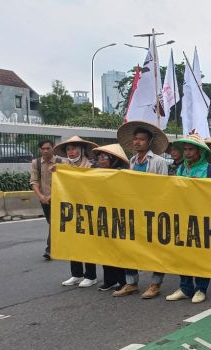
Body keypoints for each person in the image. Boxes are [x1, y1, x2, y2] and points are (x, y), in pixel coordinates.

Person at [113, 121, 169, 299]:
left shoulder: (159, 162)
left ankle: (155, 284)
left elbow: (165, 188)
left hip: (153, 211)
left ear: (149, 141)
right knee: (130, 247)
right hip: (134, 211)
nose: (137, 142)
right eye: (135, 139)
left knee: (155, 249)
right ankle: (131, 283)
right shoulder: (131, 161)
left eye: (141, 139)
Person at [165, 134, 211, 304]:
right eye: (185, 150)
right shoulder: (181, 169)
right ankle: (185, 287)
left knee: (202, 255)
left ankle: (201, 289)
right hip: (183, 217)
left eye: (191, 150)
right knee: (183, 254)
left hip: (204, 218)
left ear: (200, 152)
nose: (187, 153)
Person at [54, 136, 99, 288]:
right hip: (70, 208)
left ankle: (91, 275)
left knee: (87, 242)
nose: (71, 152)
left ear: (81, 150)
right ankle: (76, 274)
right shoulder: (63, 167)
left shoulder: (92, 166)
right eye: (68, 149)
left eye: (74, 149)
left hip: (88, 209)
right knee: (72, 241)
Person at [92, 144, 130, 291]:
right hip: (101, 214)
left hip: (118, 215)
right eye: (99, 157)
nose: (100, 160)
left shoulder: (122, 174)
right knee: (104, 248)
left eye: (104, 157)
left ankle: (122, 280)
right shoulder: (95, 173)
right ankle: (109, 280)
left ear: (113, 159)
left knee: (118, 249)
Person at [30, 139, 63, 260]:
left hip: (59, 199)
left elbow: (64, 182)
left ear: (53, 148)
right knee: (52, 222)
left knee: (54, 222)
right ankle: (61, 245)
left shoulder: (60, 162)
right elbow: (34, 181)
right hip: (44, 199)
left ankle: (50, 250)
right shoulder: (36, 163)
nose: (45, 151)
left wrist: (53, 196)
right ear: (40, 149)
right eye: (43, 148)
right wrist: (40, 196)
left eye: (48, 148)